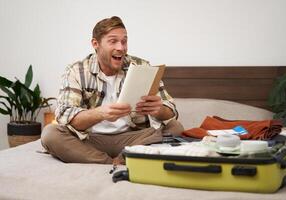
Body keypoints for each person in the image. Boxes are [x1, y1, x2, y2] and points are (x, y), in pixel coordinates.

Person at [41, 16, 183, 165]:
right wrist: (100, 113)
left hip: (133, 138)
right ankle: (112, 162)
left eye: (124, 41)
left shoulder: (141, 66)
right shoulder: (76, 71)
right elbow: (65, 116)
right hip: (89, 139)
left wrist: (158, 110)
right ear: (96, 44)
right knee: (50, 134)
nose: (121, 48)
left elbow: (171, 110)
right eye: (113, 41)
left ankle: (124, 156)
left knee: (175, 128)